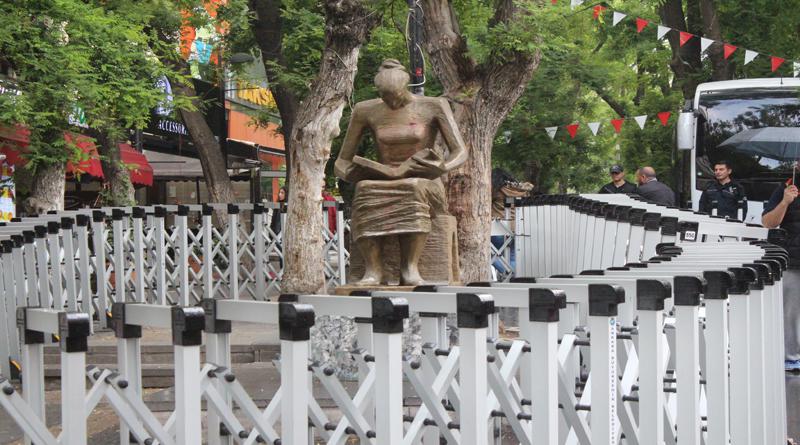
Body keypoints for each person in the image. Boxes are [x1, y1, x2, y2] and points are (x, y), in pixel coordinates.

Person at [335, 59, 467, 285]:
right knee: (364, 188)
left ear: (405, 88)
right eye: (385, 97)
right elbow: (341, 161)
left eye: (395, 96)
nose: (391, 102)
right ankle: (373, 271)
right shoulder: (365, 110)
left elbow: (461, 151)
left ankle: (409, 268)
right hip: (383, 180)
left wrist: (442, 167)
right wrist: (352, 173)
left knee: (412, 186)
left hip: (426, 180)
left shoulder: (433, 106)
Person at [762, 174, 800, 371]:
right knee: (790, 313)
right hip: (794, 261)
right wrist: (785, 202)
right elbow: (768, 222)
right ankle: (792, 357)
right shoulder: (785, 188)